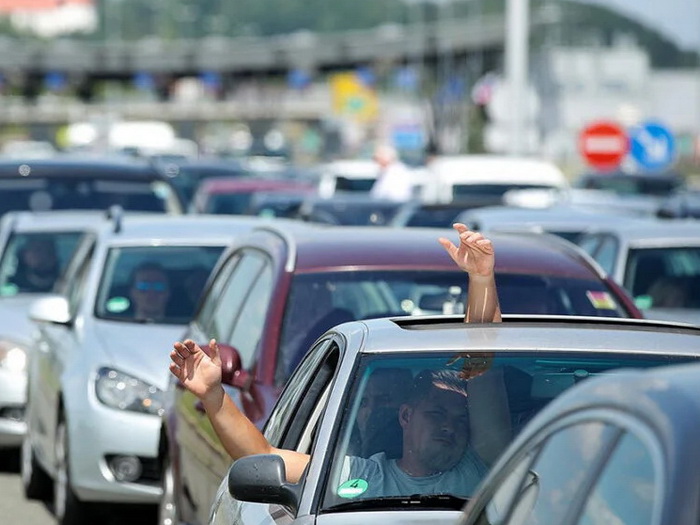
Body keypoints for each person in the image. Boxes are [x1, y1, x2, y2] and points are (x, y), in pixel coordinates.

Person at [169, 224, 501, 489]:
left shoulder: (484, 469)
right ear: (405, 416)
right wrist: (214, 395)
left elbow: (484, 359)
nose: (450, 426)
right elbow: (261, 456)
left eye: (460, 420)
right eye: (437, 413)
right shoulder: (362, 478)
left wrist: (482, 278)